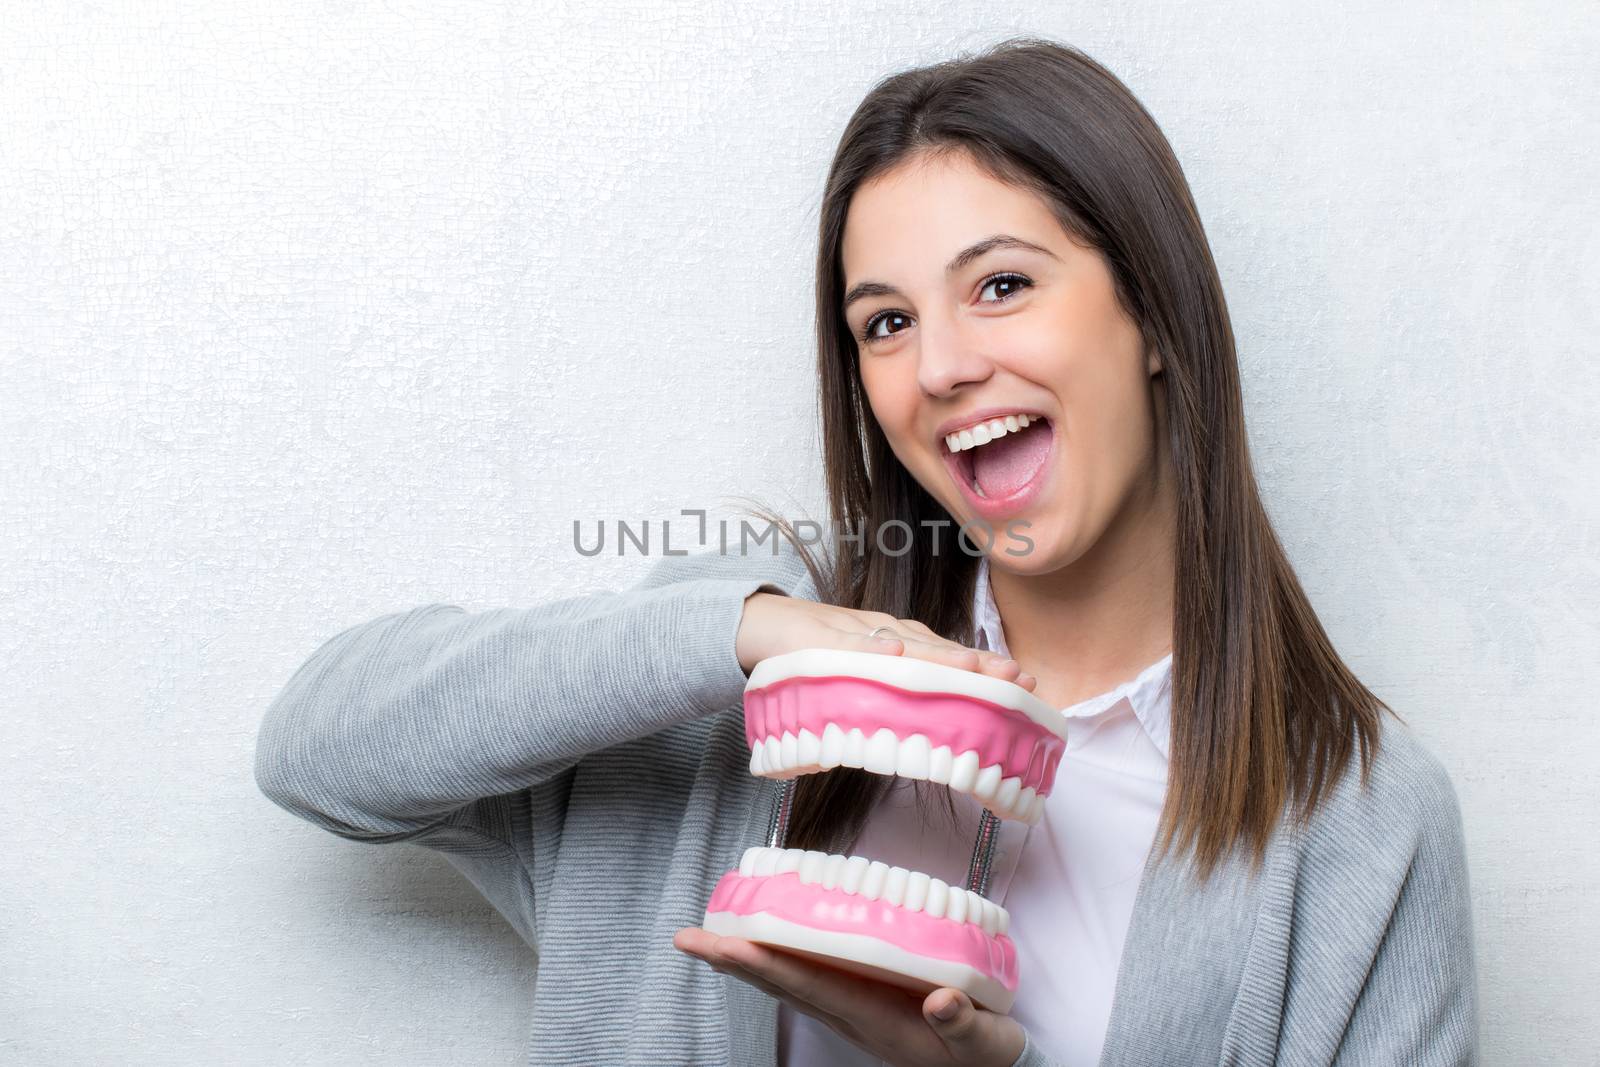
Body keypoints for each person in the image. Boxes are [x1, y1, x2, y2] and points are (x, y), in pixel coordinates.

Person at [254, 37, 1477, 1067]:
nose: (937, 365)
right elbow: (319, 747)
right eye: (883, 321)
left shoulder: (1363, 824)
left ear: (1153, 313)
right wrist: (746, 628)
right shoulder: (736, 689)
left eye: (999, 285)